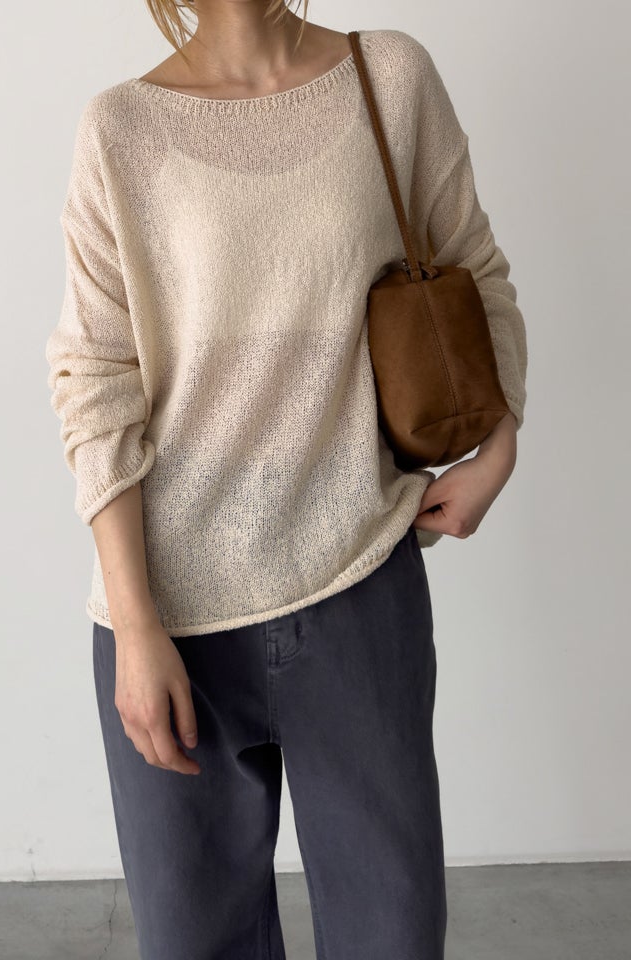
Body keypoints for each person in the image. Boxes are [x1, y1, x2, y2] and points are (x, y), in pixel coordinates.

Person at [44, 1, 528, 957]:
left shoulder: (388, 78)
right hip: (168, 614)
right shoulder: (121, 128)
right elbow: (94, 381)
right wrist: (135, 627)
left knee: (392, 936)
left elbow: (473, 270)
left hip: (359, 585)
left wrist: (499, 446)